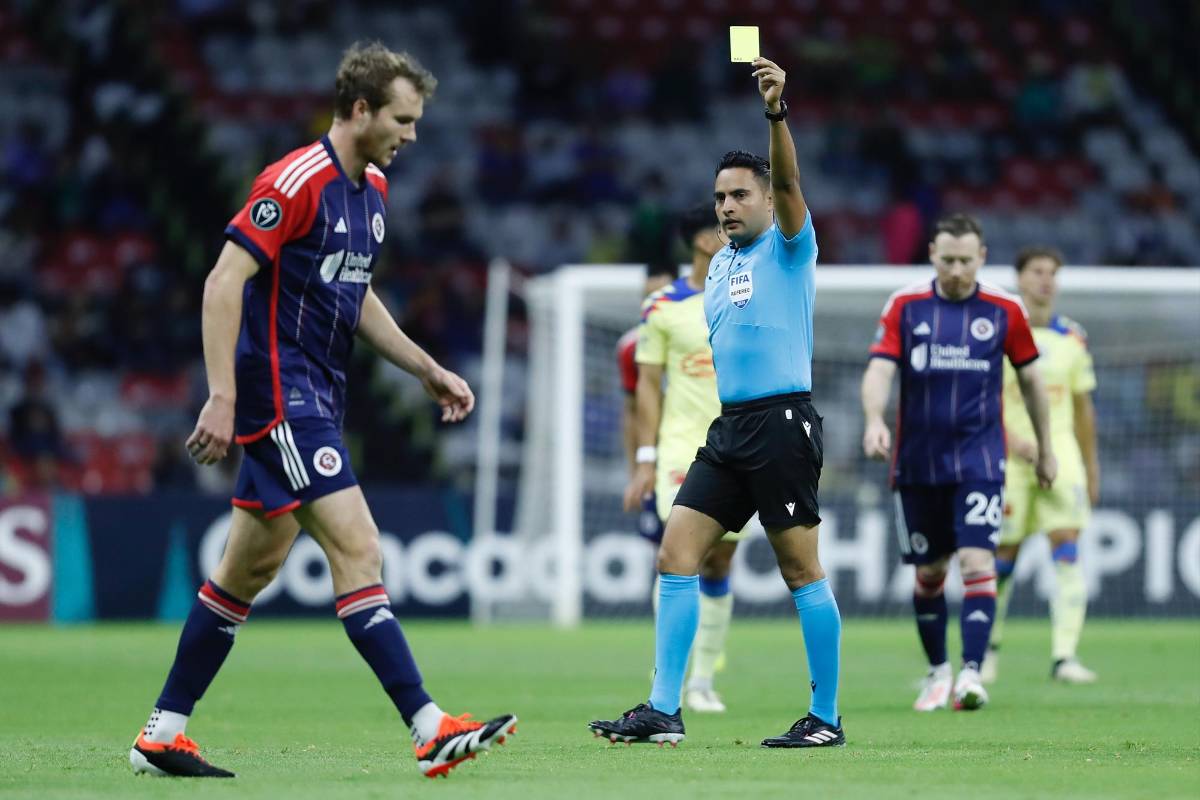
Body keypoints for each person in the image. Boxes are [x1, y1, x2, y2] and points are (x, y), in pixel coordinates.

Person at [129, 42, 516, 781]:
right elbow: (223, 279)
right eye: (402, 119)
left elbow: (356, 293)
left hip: (320, 396)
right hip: (281, 396)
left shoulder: (372, 190)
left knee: (246, 573)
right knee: (359, 547)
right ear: (361, 108)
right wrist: (222, 393)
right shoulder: (294, 180)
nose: (412, 135)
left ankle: (162, 731)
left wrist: (426, 369)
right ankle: (429, 725)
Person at [590, 57, 845, 749]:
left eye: (739, 194)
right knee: (676, 553)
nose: (727, 206)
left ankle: (826, 719)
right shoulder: (721, 264)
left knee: (800, 570)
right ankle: (663, 709)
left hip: (784, 424)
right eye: (720, 198)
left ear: (766, 200)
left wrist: (775, 113)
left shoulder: (789, 249)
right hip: (729, 429)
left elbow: (789, 178)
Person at [860, 213, 1057, 713]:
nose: (956, 270)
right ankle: (937, 673)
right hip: (917, 463)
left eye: (965, 261)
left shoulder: (1005, 309)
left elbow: (1033, 381)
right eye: (947, 260)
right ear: (932, 255)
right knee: (929, 572)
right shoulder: (905, 305)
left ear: (982, 258)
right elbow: (880, 368)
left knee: (976, 562)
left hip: (980, 459)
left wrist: (1046, 447)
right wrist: (873, 419)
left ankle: (971, 674)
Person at [622, 205, 744, 713]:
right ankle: (666, 675)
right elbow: (647, 387)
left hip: (738, 443)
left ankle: (702, 680)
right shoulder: (663, 305)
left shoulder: (745, 294)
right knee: (676, 557)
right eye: (720, 227)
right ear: (700, 240)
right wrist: (646, 460)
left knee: (721, 558)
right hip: (680, 450)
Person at [983, 247, 1100, 685]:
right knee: (1002, 556)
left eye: (1053, 272)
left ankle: (1064, 657)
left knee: (1067, 549)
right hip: (1008, 458)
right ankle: (986, 653)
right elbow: (985, 396)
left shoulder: (1073, 338)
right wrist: (1012, 439)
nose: (1046, 280)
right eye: (1037, 272)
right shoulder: (999, 331)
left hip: (1062, 457)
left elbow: (1083, 407)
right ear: (1019, 278)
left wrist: (1091, 467)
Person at [617, 262, 679, 545]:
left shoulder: (704, 335)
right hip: (658, 461)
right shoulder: (631, 347)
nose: (655, 306)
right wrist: (636, 469)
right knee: (664, 550)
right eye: (649, 298)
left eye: (662, 296)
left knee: (713, 553)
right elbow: (632, 412)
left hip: (703, 454)